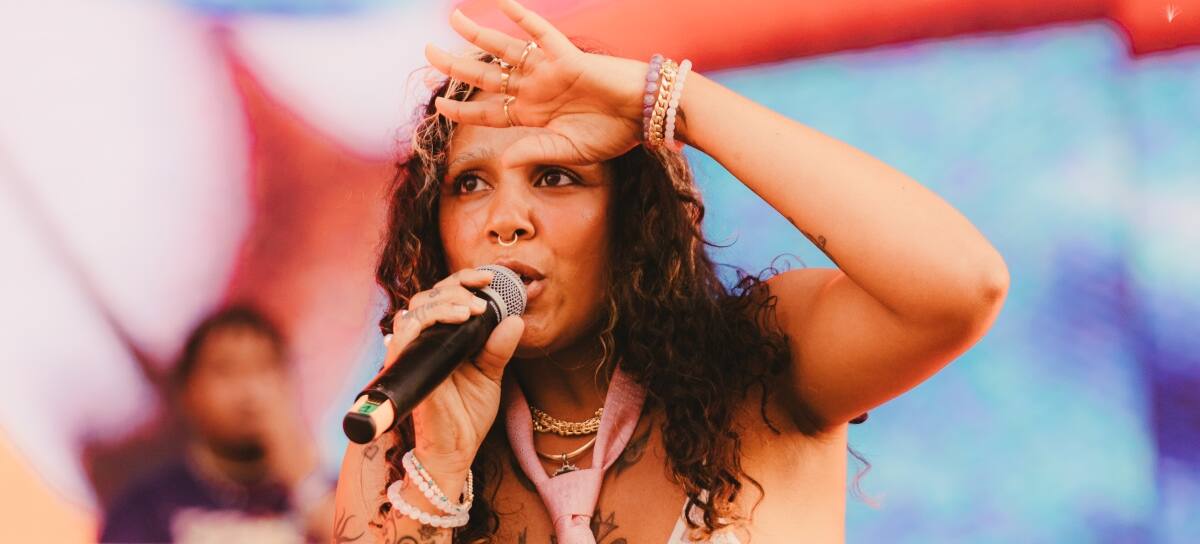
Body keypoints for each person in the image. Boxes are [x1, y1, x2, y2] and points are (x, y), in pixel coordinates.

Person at [334, 0, 1009, 542]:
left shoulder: (763, 361)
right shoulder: (394, 433)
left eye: (556, 176)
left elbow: (961, 285)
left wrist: (666, 99)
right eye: (469, 184)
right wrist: (438, 473)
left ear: (632, 217)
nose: (506, 219)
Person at [100, 306, 334, 543]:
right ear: (188, 392)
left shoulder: (336, 494)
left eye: (264, 369)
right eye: (226, 370)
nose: (249, 391)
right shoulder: (149, 505)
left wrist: (305, 484)